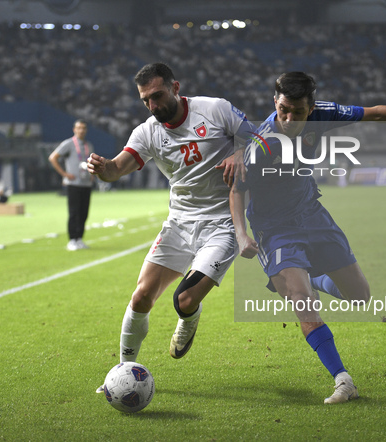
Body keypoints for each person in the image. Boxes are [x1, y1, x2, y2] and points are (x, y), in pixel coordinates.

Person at [231, 71, 386, 404]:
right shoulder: (264, 142)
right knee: (302, 301)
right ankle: (343, 380)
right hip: (275, 228)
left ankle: (312, 278)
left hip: (312, 214)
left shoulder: (324, 114)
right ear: (275, 102)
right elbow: (237, 190)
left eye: (296, 112)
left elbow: (376, 112)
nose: (287, 118)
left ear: (311, 109)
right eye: (283, 109)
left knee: (359, 296)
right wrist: (241, 235)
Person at [87, 63, 252, 393]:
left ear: (176, 87)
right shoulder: (148, 131)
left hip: (222, 223)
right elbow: (118, 167)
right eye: (145, 100)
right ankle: (122, 370)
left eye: (158, 96)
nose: (153, 106)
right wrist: (104, 169)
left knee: (185, 300)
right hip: (178, 223)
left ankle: (188, 317)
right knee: (141, 296)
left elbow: (262, 138)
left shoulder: (215, 110)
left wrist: (241, 154)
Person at [49, 119, 94, 251]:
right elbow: (53, 157)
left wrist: (92, 175)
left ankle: (79, 238)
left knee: (84, 213)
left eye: (84, 128)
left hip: (86, 183)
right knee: (74, 212)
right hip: (73, 184)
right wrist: (64, 173)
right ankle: (72, 240)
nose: (81, 130)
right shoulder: (69, 144)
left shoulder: (88, 145)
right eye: (79, 128)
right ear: (74, 129)